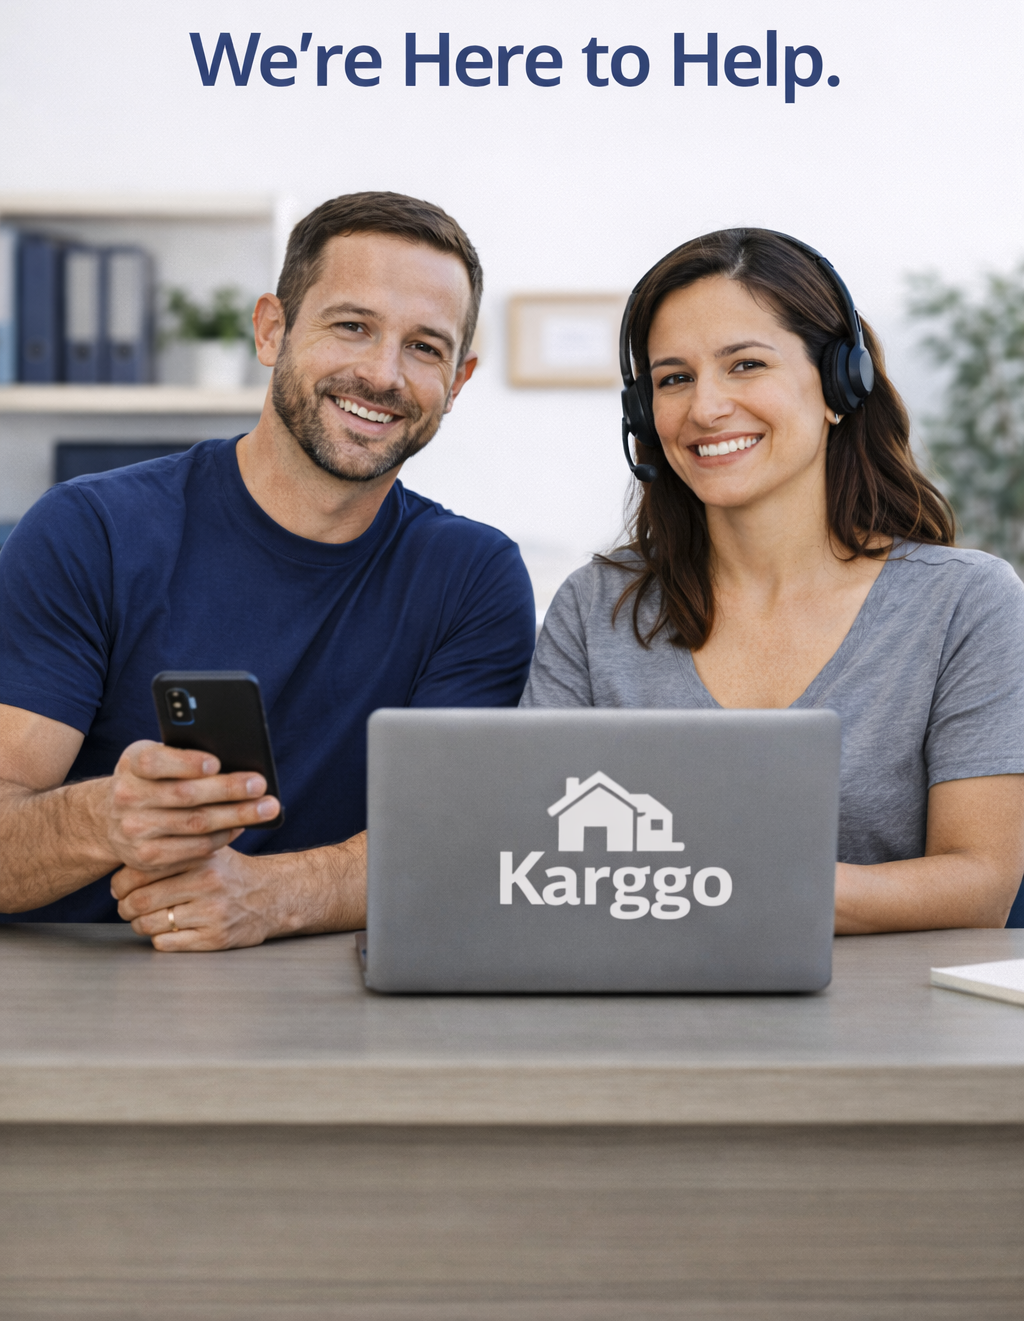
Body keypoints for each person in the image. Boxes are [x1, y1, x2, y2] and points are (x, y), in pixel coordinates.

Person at [0, 191, 535, 948]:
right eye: (352, 326)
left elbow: (451, 847)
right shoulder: (91, 531)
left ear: (458, 382)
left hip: (326, 1000)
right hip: (69, 991)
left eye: (425, 347)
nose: (382, 374)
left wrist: (271, 896)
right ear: (271, 329)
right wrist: (104, 818)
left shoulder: (473, 578)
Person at [522, 228, 1024, 933]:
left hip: (884, 1029)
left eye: (746, 364)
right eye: (673, 378)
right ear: (644, 415)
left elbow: (979, 882)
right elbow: (535, 862)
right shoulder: (596, 605)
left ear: (839, 386)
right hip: (640, 1012)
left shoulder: (965, 603)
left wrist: (723, 886)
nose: (705, 408)